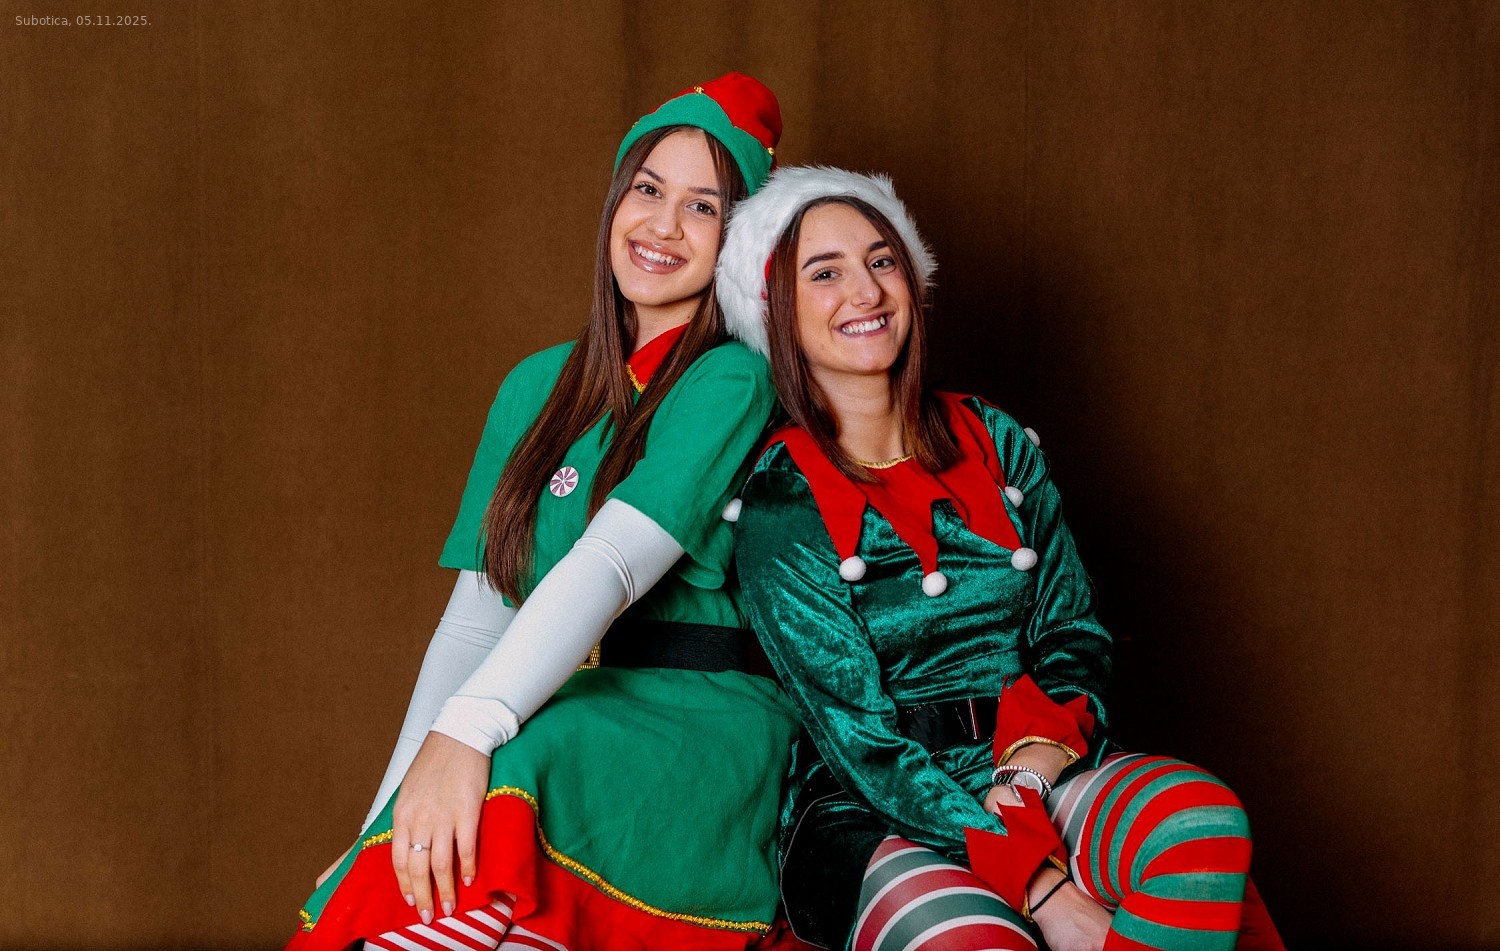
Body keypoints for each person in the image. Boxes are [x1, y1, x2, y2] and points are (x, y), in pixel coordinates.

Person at [287, 74, 805, 951]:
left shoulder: (733, 378)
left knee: (510, 776)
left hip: (698, 722)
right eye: (647, 189)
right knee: (411, 864)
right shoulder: (535, 385)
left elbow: (613, 563)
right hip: (562, 706)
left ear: (739, 242)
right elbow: (475, 620)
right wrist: (386, 818)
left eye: (704, 207)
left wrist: (471, 729)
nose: (663, 225)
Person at [717, 167, 1284, 951]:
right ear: (776, 309)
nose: (866, 290)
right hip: (875, 801)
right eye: (825, 273)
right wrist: (1041, 883)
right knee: (975, 941)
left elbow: (1073, 634)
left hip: (1030, 760)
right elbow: (862, 745)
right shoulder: (782, 505)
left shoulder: (995, 439)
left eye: (882, 261)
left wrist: (1035, 765)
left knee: (1198, 822)